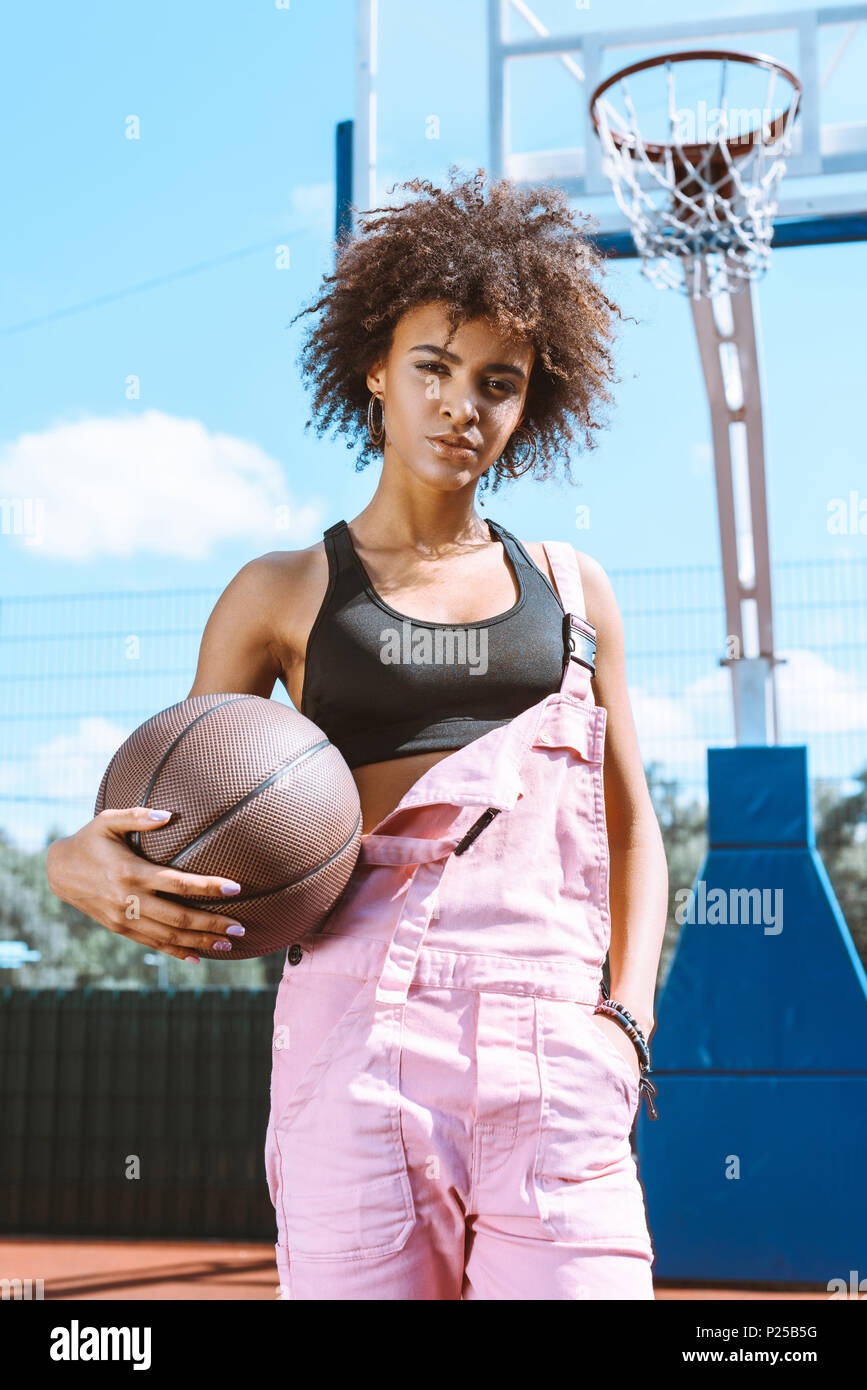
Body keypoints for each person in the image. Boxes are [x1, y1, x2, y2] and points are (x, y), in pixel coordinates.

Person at [46, 170, 668, 1300]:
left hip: (553, 1039)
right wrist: (71, 857)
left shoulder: (576, 594)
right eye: (432, 366)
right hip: (356, 1035)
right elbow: (178, 828)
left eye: (498, 382)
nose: (459, 405)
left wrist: (627, 1024)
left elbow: (635, 832)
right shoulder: (281, 593)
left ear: (533, 403)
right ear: (375, 369)